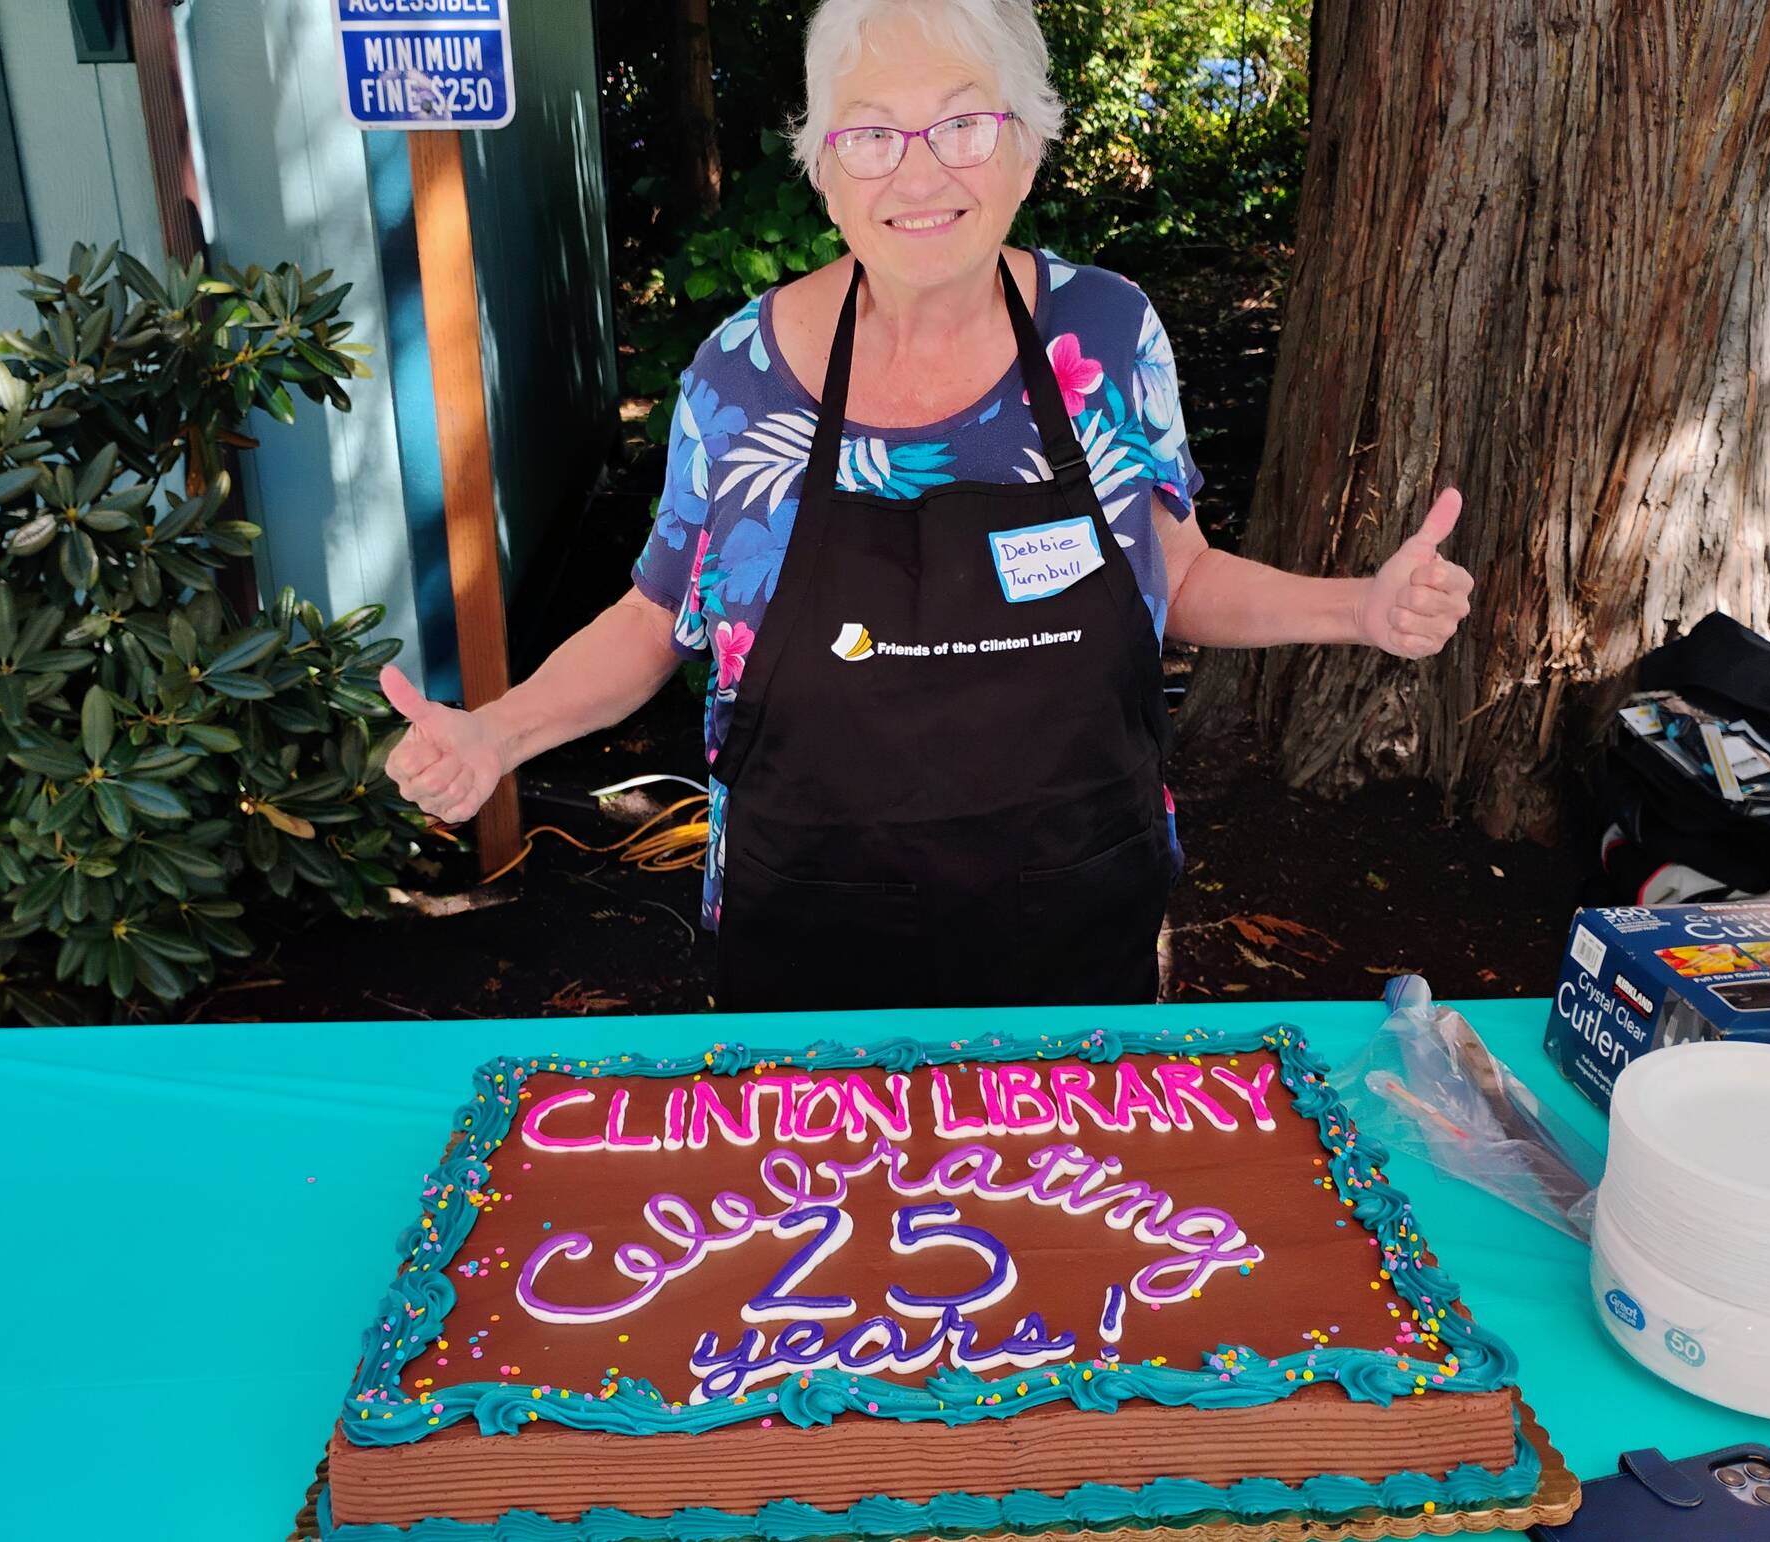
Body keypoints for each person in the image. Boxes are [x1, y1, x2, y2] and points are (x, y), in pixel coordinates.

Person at [379, 0, 1473, 1012]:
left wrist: (1358, 612)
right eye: (869, 132)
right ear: (821, 165)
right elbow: (657, 618)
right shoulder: (736, 376)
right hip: (803, 930)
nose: (917, 173)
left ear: (1028, 141)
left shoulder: (1108, 332)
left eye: (962, 123)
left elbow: (1176, 574)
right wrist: (494, 733)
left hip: (1078, 918)